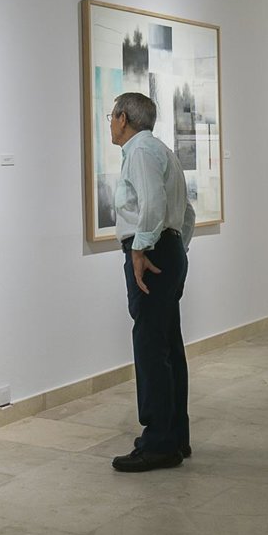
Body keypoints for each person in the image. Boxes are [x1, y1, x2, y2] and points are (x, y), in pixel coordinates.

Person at [107, 92, 196, 472]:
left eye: (111, 117)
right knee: (167, 346)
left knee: (150, 348)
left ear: (123, 118)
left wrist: (141, 249)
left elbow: (154, 205)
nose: (110, 124)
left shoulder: (141, 151)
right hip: (168, 251)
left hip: (152, 253)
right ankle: (175, 436)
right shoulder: (161, 151)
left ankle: (159, 443)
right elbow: (187, 213)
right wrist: (178, 250)